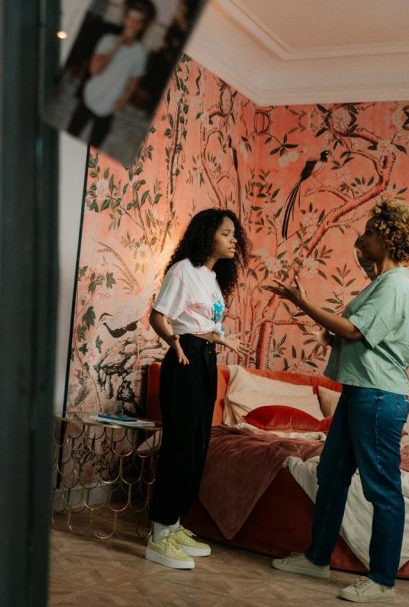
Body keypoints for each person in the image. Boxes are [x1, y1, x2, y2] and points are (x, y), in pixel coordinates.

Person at [269, 198, 409, 603]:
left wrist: (302, 303)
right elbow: (358, 334)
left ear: (390, 238)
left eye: (371, 232)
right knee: (332, 474)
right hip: (360, 391)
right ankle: (317, 558)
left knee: (382, 490)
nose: (363, 238)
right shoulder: (381, 282)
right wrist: (332, 335)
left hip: (378, 395)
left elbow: (356, 332)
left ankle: (382, 580)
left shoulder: (395, 284)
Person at [144, 208, 252, 570]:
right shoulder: (182, 271)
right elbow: (158, 316)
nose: (233, 240)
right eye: (226, 233)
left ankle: (174, 525)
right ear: (207, 235)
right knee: (179, 445)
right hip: (185, 358)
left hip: (205, 359)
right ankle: (159, 535)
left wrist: (220, 339)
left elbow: (202, 326)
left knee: (198, 445)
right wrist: (173, 341)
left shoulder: (212, 277)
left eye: (234, 234)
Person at [67, 0, 156, 148]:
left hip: (109, 106)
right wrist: (117, 45)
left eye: (137, 21)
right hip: (90, 96)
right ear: (124, 19)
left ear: (141, 26)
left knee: (95, 146)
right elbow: (95, 70)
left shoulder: (140, 53)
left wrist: (122, 101)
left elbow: (133, 82)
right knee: (70, 136)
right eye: (130, 19)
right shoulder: (107, 40)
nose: (132, 24)